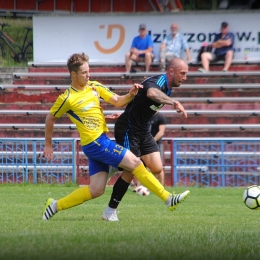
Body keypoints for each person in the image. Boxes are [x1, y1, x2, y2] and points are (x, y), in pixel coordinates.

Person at [42, 52, 190, 221]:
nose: (88, 75)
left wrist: (131, 94)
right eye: (84, 73)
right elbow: (50, 118)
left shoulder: (94, 86)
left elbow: (119, 101)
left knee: (96, 190)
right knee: (135, 162)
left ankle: (54, 206)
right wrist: (48, 144)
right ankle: (168, 198)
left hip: (100, 141)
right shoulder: (67, 98)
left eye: (89, 71)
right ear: (73, 74)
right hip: (95, 143)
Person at [103, 57, 189, 221]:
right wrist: (174, 103)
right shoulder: (158, 82)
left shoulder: (168, 88)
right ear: (171, 71)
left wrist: (126, 112)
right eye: (182, 73)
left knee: (157, 168)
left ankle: (116, 164)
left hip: (142, 129)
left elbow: (148, 106)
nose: (184, 77)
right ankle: (109, 212)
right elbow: (150, 93)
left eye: (186, 74)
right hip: (128, 129)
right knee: (131, 170)